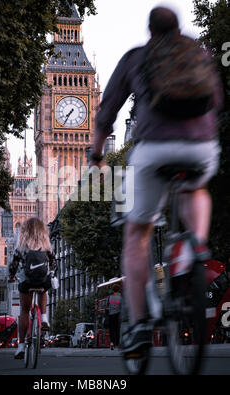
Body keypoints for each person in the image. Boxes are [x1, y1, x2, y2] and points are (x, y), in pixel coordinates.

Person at [89, 6, 223, 357]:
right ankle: (196, 245)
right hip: (202, 147)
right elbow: (217, 100)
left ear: (150, 31)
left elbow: (107, 112)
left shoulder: (137, 56)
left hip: (152, 149)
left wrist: (97, 153)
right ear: (178, 28)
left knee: (137, 234)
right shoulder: (199, 52)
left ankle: (140, 326)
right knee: (197, 188)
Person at [8, 217, 56, 359]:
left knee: (24, 310)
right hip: (42, 280)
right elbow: (54, 262)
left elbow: (14, 265)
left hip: (27, 281)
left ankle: (21, 345)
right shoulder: (46, 245)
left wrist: (11, 276)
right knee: (43, 287)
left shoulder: (22, 247)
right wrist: (52, 274)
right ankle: (44, 317)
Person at [106, 283, 122, 350]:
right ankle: (118, 344)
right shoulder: (121, 297)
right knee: (118, 329)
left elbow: (107, 306)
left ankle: (112, 343)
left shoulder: (109, 297)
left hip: (111, 315)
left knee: (112, 330)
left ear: (113, 290)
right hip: (118, 315)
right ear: (119, 289)